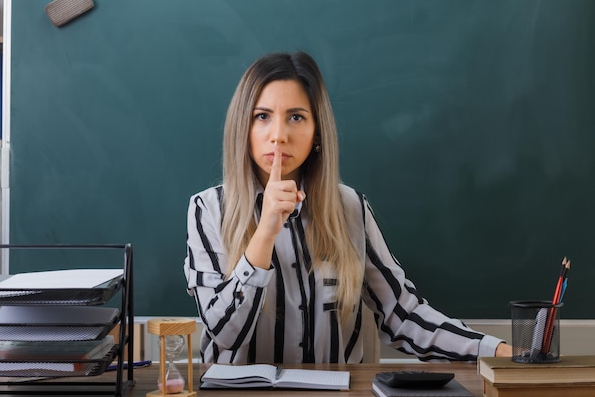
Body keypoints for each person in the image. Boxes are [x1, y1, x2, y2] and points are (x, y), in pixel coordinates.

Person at [184, 51, 511, 364]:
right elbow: (224, 333)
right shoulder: (208, 210)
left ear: (316, 133)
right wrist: (266, 231)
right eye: (262, 116)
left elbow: (402, 314)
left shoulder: (350, 208)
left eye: (296, 117)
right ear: (244, 128)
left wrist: (495, 351)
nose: (279, 135)